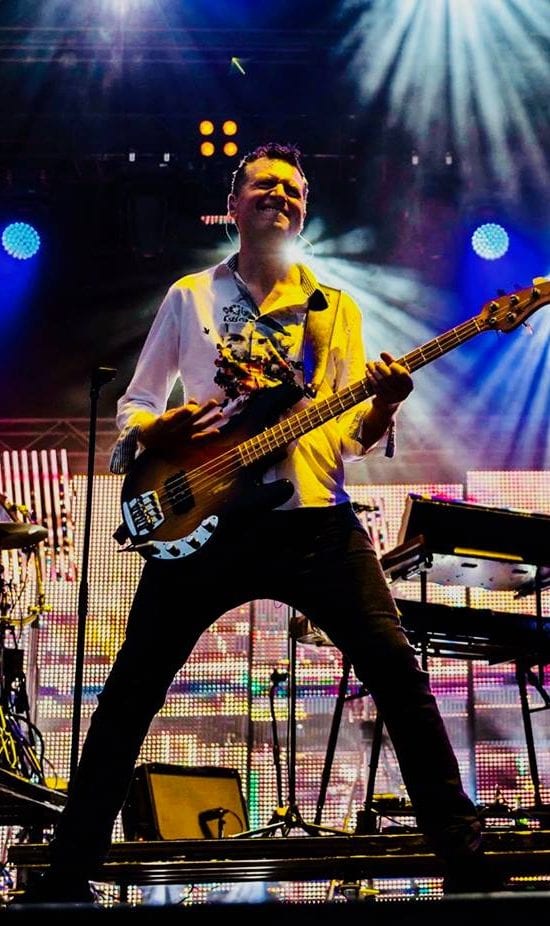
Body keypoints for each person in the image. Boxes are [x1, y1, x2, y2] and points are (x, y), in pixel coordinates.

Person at [19, 142, 503, 905]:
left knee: (397, 675)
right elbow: (136, 404)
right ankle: (68, 872)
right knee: (130, 693)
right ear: (233, 205)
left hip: (315, 523)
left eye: (293, 189)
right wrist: (157, 428)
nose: (280, 195)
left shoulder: (333, 309)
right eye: (265, 185)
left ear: (304, 211)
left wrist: (384, 404)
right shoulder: (191, 298)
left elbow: (346, 437)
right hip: (206, 521)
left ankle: (465, 862)